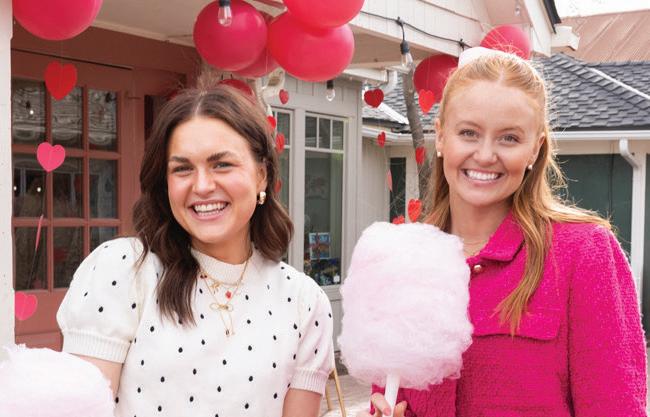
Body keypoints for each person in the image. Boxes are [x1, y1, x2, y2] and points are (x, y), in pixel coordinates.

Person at [360, 48, 647, 417]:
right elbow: (389, 397)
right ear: (442, 136)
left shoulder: (583, 254)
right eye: (469, 133)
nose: (485, 155)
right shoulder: (403, 261)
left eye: (509, 138)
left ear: (535, 149)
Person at [57, 86, 334, 417]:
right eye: (182, 169)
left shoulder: (304, 302)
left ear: (261, 175)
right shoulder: (122, 270)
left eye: (222, 165)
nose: (202, 186)